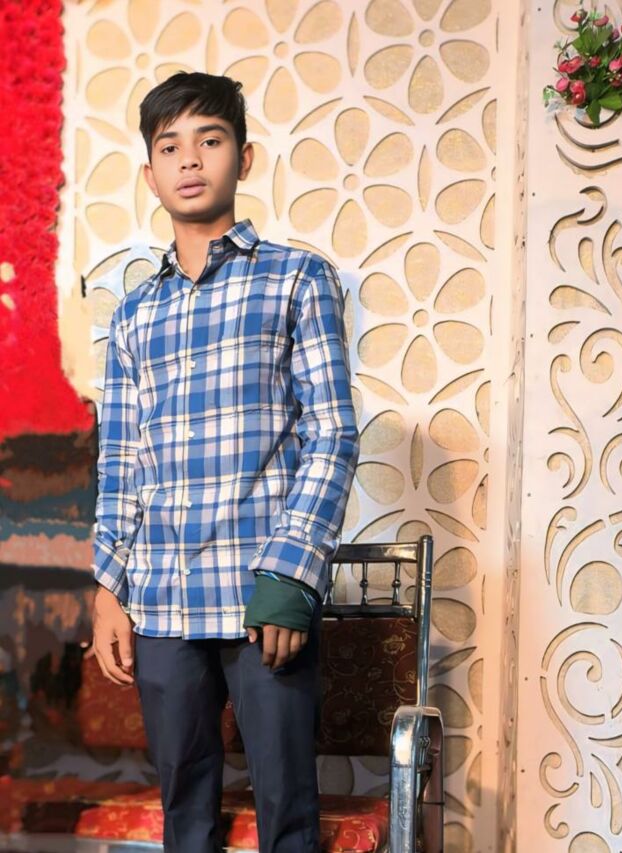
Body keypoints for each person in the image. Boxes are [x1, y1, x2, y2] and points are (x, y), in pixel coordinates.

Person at [90, 71, 360, 853]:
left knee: (287, 812)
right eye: (169, 146)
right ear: (150, 173)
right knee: (185, 813)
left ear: (242, 159)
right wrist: (108, 585)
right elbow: (122, 461)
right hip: (162, 601)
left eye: (209, 140)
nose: (189, 159)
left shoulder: (297, 279)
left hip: (258, 596)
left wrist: (291, 574)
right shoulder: (134, 313)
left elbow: (333, 433)